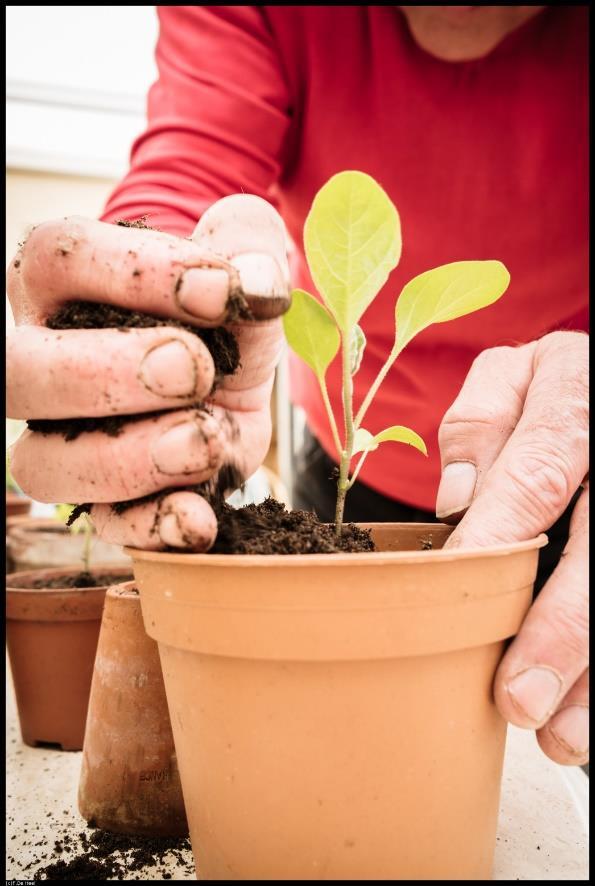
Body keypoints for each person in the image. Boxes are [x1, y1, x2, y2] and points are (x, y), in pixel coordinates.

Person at [6, 6, 587, 768]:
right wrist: (141, 294)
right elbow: (191, 166)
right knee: (342, 744)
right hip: (348, 472)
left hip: (567, 469)